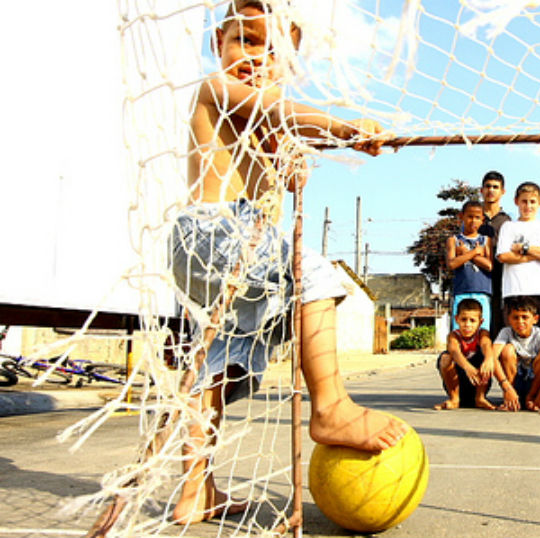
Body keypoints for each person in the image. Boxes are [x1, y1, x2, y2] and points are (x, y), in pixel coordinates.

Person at [169, 1, 406, 524]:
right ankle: (331, 407)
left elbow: (285, 172)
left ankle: (196, 490)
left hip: (214, 256)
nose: (255, 57)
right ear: (218, 44)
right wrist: (346, 129)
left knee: (209, 367)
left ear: (290, 61)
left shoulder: (259, 124)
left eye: (271, 50)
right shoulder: (216, 90)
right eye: (245, 41)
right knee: (315, 274)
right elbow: (278, 110)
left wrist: (288, 163)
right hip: (217, 232)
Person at [495, 181, 540, 334]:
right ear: (516, 201)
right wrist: (535, 255)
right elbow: (503, 256)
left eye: (532, 202)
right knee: (513, 336)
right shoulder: (509, 226)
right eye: (524, 201)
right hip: (514, 289)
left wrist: (525, 248)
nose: (528, 206)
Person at [493, 296, 540, 412]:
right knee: (507, 350)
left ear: (535, 319)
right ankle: (511, 398)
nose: (520, 322)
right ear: (509, 319)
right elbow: (492, 358)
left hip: (534, 382)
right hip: (514, 381)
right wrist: (506, 387)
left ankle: (531, 397)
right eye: (515, 318)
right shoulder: (506, 332)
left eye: (525, 317)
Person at [434, 299, 496, 410]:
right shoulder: (453, 335)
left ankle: (480, 398)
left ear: (480, 322)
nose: (467, 324)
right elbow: (454, 351)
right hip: (458, 383)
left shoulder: (482, 333)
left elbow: (486, 345)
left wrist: (489, 359)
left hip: (478, 383)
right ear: (457, 319)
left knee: (486, 356)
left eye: (472, 320)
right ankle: (455, 399)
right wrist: (467, 367)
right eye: (464, 320)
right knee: (445, 358)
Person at [447, 201, 492, 331]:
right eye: (470, 216)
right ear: (461, 216)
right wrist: (474, 252)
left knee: (482, 331)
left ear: (482, 219)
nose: (473, 221)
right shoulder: (453, 240)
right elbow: (452, 264)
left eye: (477, 217)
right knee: (460, 330)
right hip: (461, 291)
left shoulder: (485, 240)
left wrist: (467, 254)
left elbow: (489, 265)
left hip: (482, 291)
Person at [478, 171, 512, 337]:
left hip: (501, 275)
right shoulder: (473, 217)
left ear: (502, 191)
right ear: (481, 190)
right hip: (477, 275)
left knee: (500, 317)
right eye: (488, 186)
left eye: (495, 187)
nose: (491, 190)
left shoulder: (507, 221)